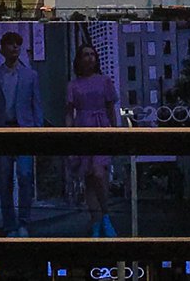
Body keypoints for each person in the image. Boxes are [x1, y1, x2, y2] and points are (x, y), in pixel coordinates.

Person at [0, 30, 44, 236]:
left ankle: (23, 222)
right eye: (10, 43)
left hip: (24, 131)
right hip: (2, 131)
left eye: (18, 44)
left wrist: (38, 132)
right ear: (2, 48)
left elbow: (37, 106)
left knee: (25, 176)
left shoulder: (30, 76)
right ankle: (9, 225)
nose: (15, 47)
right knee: (4, 180)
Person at [65, 43, 120, 237]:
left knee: (98, 173)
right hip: (82, 128)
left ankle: (105, 216)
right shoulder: (73, 85)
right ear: (79, 60)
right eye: (85, 55)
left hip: (101, 127)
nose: (89, 58)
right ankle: (96, 222)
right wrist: (69, 135)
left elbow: (111, 109)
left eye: (92, 55)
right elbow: (69, 112)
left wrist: (115, 132)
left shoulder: (105, 81)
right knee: (88, 178)